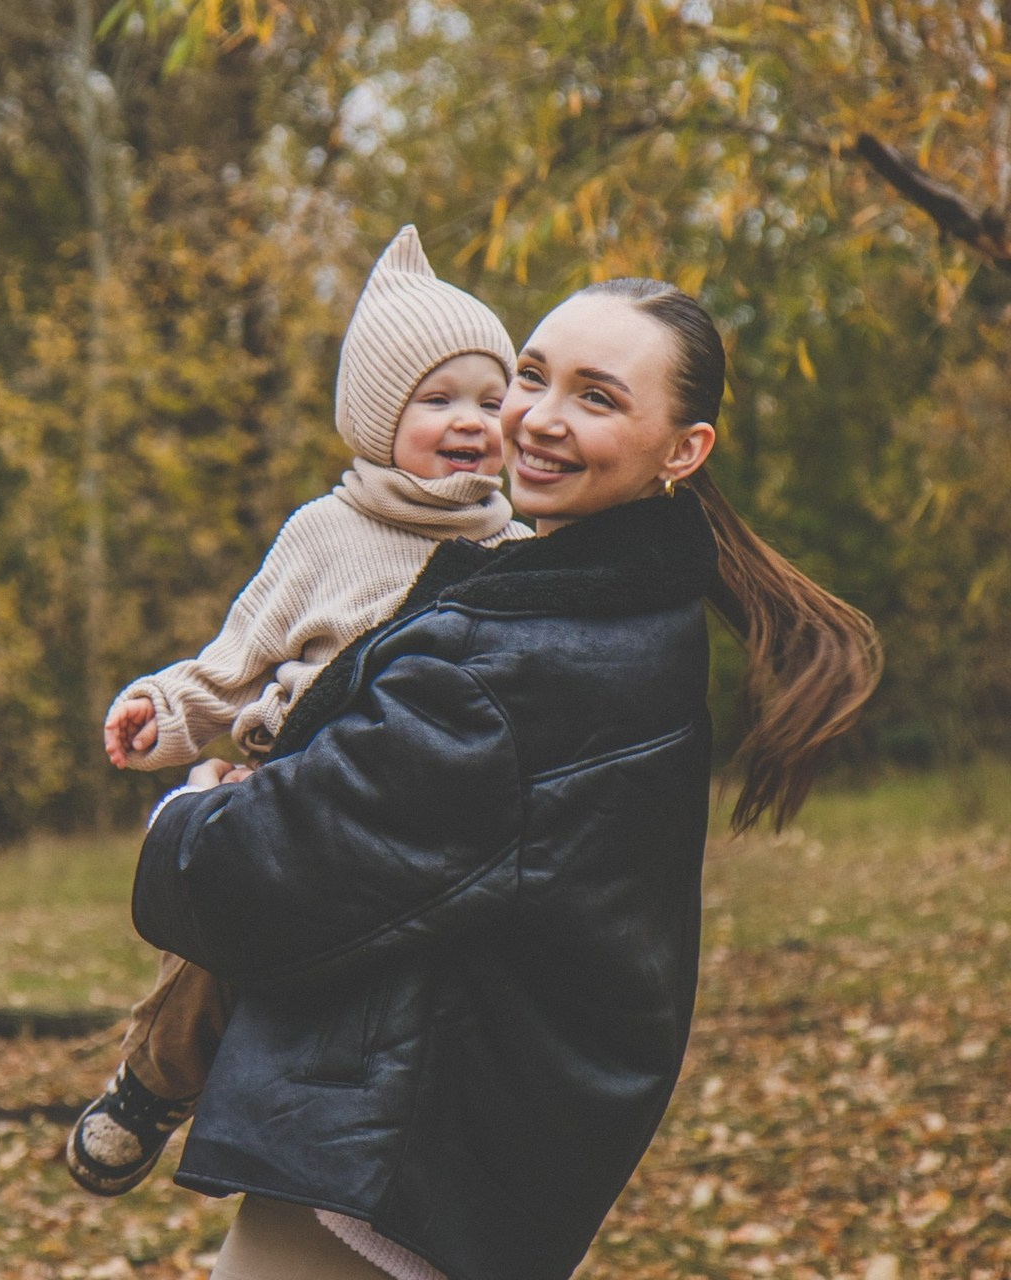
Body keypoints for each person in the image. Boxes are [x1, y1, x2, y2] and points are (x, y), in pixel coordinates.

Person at [129, 277, 882, 1280]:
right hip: (477, 1152)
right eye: (531, 376)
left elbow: (276, 866)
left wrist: (186, 815)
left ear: (683, 449)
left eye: (596, 396)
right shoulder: (621, 605)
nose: (537, 417)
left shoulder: (518, 661)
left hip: (394, 1163)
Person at [65, 225, 533, 1197]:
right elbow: (233, 664)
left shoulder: (516, 551)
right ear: (376, 416)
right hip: (284, 780)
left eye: (491, 400)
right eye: (438, 399)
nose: (470, 421)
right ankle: (151, 1084)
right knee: (222, 947)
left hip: (408, 805)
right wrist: (161, 707)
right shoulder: (327, 531)